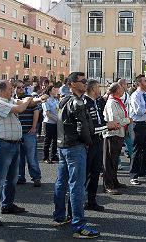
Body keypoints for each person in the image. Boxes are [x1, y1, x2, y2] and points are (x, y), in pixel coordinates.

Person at [0, 80, 47, 226]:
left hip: (13, 144)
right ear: (1, 90)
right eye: (9, 88)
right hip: (2, 145)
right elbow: (20, 108)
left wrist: (40, 98)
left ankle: (8, 205)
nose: (12, 89)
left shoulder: (8, 100)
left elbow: (27, 103)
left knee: (11, 180)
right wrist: (26, 100)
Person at [53, 72, 100, 239]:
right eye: (83, 81)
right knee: (76, 186)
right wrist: (88, 142)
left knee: (61, 182)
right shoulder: (77, 102)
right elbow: (84, 127)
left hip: (64, 145)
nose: (86, 83)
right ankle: (79, 225)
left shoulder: (64, 99)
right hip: (74, 146)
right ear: (73, 84)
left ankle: (59, 216)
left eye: (86, 80)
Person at [84, 79, 115, 209]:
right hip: (89, 143)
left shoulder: (95, 102)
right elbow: (89, 128)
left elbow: (99, 122)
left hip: (97, 140)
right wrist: (107, 126)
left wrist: (107, 125)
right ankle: (81, 202)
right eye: (98, 87)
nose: (99, 89)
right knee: (86, 174)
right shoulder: (85, 103)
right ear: (93, 89)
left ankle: (91, 200)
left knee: (95, 173)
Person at [103, 83, 132, 194]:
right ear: (116, 91)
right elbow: (114, 121)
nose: (123, 89)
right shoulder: (111, 103)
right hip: (112, 134)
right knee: (109, 160)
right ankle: (108, 184)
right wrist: (127, 120)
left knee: (114, 160)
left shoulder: (117, 101)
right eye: (120, 88)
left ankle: (114, 181)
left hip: (119, 133)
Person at [13, 80, 42, 187]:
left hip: (29, 131)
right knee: (19, 157)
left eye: (22, 87)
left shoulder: (29, 98)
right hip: (16, 133)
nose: (21, 89)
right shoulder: (12, 99)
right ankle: (20, 177)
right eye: (19, 87)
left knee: (31, 157)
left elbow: (36, 111)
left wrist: (34, 127)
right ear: (14, 88)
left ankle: (36, 177)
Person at [42, 85, 59, 163]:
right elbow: (48, 114)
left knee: (55, 140)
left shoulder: (55, 100)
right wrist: (57, 120)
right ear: (49, 91)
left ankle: (53, 155)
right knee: (48, 140)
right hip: (49, 122)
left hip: (56, 122)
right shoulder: (46, 100)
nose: (55, 91)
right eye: (53, 89)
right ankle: (46, 157)